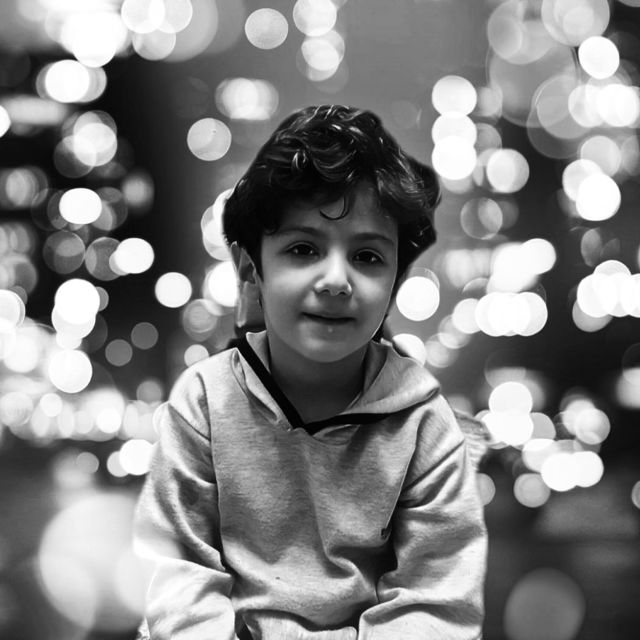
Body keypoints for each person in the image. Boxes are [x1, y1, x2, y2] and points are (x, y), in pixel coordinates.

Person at [134, 104, 488, 640]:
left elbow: (437, 603)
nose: (336, 280)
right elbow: (177, 576)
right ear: (251, 272)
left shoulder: (424, 426)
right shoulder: (204, 402)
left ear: (395, 281)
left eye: (368, 257)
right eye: (303, 249)